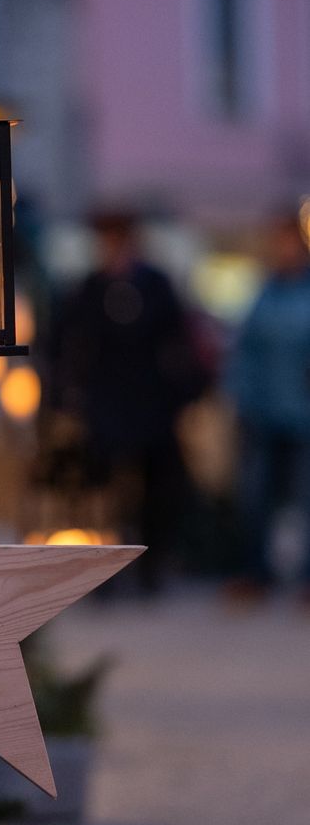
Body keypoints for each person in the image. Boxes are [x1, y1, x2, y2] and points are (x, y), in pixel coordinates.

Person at [46, 212, 206, 593]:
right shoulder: (91, 288)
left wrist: (184, 391)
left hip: (150, 403)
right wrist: (68, 394)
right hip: (106, 403)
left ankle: (150, 566)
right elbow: (64, 341)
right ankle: (107, 570)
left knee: (156, 487)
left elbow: (179, 341)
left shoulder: (155, 286)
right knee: (102, 488)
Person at [224, 213, 310, 601]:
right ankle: (255, 572)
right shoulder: (264, 293)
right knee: (255, 497)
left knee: (305, 497)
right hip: (263, 412)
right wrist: (240, 397)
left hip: (303, 414)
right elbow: (244, 352)